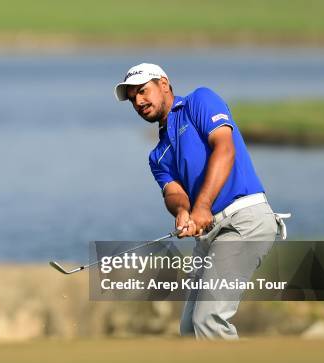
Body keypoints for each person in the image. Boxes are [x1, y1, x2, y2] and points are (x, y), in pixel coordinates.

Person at [114, 63, 289, 339]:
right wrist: (183, 211)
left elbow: (225, 148)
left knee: (208, 319)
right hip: (209, 235)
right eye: (133, 98)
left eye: (143, 91)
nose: (139, 101)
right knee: (189, 329)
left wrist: (203, 206)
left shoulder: (199, 101)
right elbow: (173, 192)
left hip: (244, 220)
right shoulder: (157, 155)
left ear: (164, 84)